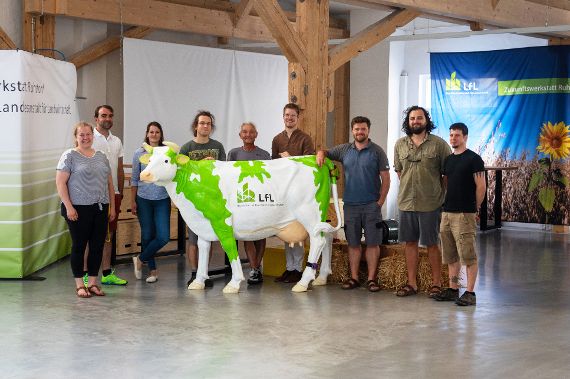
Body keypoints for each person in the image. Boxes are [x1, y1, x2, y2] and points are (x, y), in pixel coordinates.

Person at [316, 116, 390, 292]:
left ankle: (372, 279)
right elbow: (325, 152)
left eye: (363, 129)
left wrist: (380, 202)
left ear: (368, 130)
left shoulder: (377, 151)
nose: (360, 132)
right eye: (356, 129)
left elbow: (386, 178)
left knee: (373, 243)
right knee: (353, 243)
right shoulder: (344, 150)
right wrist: (320, 153)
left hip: (372, 205)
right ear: (352, 131)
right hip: (350, 205)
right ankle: (354, 278)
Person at [394, 105, 451, 297]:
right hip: (406, 202)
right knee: (410, 243)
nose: (415, 121)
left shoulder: (439, 145)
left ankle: (436, 283)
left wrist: (439, 194)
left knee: (432, 243)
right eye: (412, 119)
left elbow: (447, 175)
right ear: (408, 122)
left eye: (419, 118)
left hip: (431, 203)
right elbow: (400, 172)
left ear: (426, 120)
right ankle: (412, 283)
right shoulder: (400, 144)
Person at [56, 122, 115, 298]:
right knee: (79, 246)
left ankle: (93, 284)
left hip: (100, 208)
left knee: (97, 246)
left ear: (92, 136)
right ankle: (80, 284)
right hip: (78, 209)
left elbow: (109, 184)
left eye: (88, 134)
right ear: (76, 137)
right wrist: (69, 207)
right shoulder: (70, 155)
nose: (85, 138)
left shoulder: (102, 156)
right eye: (81, 135)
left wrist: (111, 206)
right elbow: (60, 183)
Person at [433, 122, 486, 306]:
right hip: (447, 213)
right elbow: (446, 184)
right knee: (450, 256)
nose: (453, 138)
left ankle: (470, 293)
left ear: (465, 137)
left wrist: (474, 208)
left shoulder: (474, 159)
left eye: (457, 135)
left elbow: (481, 187)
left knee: (468, 255)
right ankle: (453, 289)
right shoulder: (448, 160)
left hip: (465, 214)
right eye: (451, 135)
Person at [180, 110, 226, 287]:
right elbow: (182, 175)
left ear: (211, 127)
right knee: (193, 239)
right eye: (202, 123)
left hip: (213, 199)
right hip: (193, 201)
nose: (205, 126)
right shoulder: (186, 148)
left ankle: (204, 274)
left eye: (208, 123)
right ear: (196, 126)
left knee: (208, 237)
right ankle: (194, 273)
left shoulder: (218, 147)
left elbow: (223, 171)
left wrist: (212, 165)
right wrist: (199, 166)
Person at [271, 103, 315, 283]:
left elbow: (310, 164)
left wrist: (291, 160)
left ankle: (298, 268)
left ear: (298, 118)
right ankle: (289, 268)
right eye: (287, 115)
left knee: (299, 231)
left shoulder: (305, 139)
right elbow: (273, 166)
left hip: (301, 191)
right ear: (283, 117)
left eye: (293, 116)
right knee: (286, 231)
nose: (289, 118)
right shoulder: (277, 139)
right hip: (284, 191)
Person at [86, 105, 128, 285]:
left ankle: (107, 273)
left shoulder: (116, 141)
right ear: (96, 118)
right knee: (89, 235)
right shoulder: (89, 139)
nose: (107, 119)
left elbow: (118, 167)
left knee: (109, 234)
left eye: (110, 116)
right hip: (93, 195)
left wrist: (120, 192)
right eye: (104, 115)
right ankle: (87, 273)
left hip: (114, 194)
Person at [227, 122, 271, 285]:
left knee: (261, 234)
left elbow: (269, 178)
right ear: (240, 135)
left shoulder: (265, 154)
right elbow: (228, 177)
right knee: (247, 236)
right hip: (242, 201)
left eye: (251, 132)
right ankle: (254, 268)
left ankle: (256, 268)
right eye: (244, 132)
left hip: (261, 201)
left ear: (256, 135)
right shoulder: (233, 154)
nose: (248, 135)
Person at [131, 122, 171, 284]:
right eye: (151, 132)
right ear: (147, 134)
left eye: (157, 132)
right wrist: (133, 201)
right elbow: (134, 179)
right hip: (143, 199)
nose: (154, 135)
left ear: (161, 135)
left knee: (163, 237)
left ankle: (140, 260)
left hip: (162, 199)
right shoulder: (138, 153)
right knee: (147, 235)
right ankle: (152, 270)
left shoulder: (166, 153)